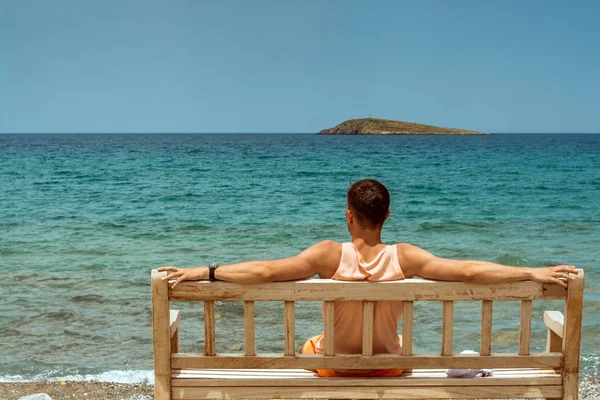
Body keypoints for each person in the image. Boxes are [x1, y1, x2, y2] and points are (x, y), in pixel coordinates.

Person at [158, 179, 578, 377]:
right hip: (388, 369)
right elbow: (470, 271)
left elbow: (264, 272)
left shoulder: (328, 254)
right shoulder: (405, 256)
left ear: (349, 216)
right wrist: (531, 271)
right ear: (387, 216)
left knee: (312, 344)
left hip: (333, 369)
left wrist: (205, 271)